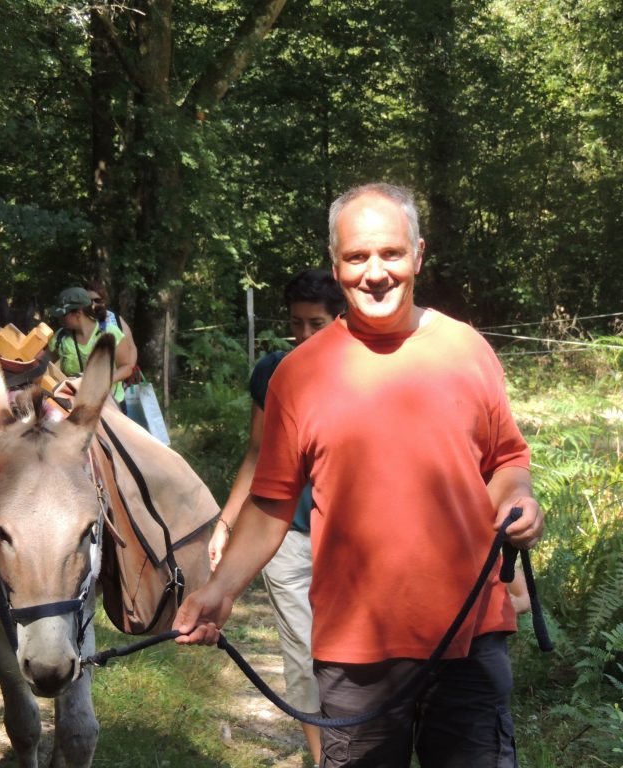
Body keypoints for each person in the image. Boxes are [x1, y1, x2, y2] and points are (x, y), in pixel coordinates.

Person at [175, 182, 544, 768]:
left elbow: (505, 460)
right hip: (355, 653)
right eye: (356, 257)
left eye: (391, 254)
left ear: (418, 256)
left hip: (470, 639)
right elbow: (272, 504)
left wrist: (519, 500)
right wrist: (221, 591)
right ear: (336, 265)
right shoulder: (298, 375)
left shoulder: (467, 349)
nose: (375, 273)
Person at [208, 267, 346, 767]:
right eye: (296, 322)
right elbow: (256, 452)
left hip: (349, 540)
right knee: (304, 658)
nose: (303, 334)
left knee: (353, 657)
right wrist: (226, 522)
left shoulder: (362, 371)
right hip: (284, 536)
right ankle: (323, 760)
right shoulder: (272, 371)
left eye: (316, 323)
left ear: (340, 318)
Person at [48, 285, 134, 408]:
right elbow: (44, 365)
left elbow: (127, 367)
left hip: (110, 405)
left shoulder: (110, 333)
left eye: (63, 314)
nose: (60, 319)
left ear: (78, 313)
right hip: (75, 406)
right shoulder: (60, 338)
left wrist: (104, 381)